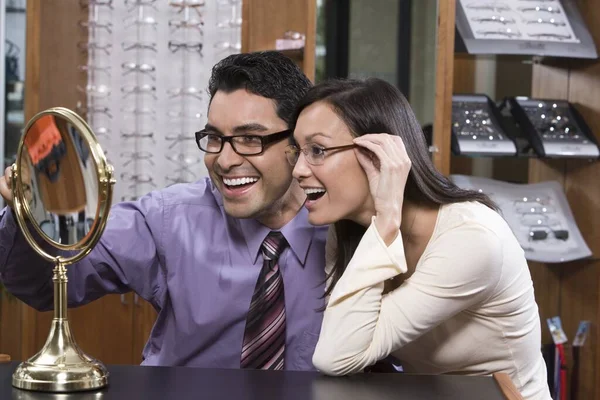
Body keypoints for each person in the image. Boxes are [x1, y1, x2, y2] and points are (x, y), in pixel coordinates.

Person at [0, 51, 327, 370]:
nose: (225, 160)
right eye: (214, 138)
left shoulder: (346, 232)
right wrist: (25, 214)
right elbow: (44, 284)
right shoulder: (169, 219)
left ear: (298, 141)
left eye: (250, 139)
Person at [287, 77, 551, 399]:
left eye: (317, 150)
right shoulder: (348, 231)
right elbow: (342, 348)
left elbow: (336, 356)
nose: (299, 169)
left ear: (378, 155)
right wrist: (383, 224)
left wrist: (386, 221)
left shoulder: (472, 239)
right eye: (297, 151)